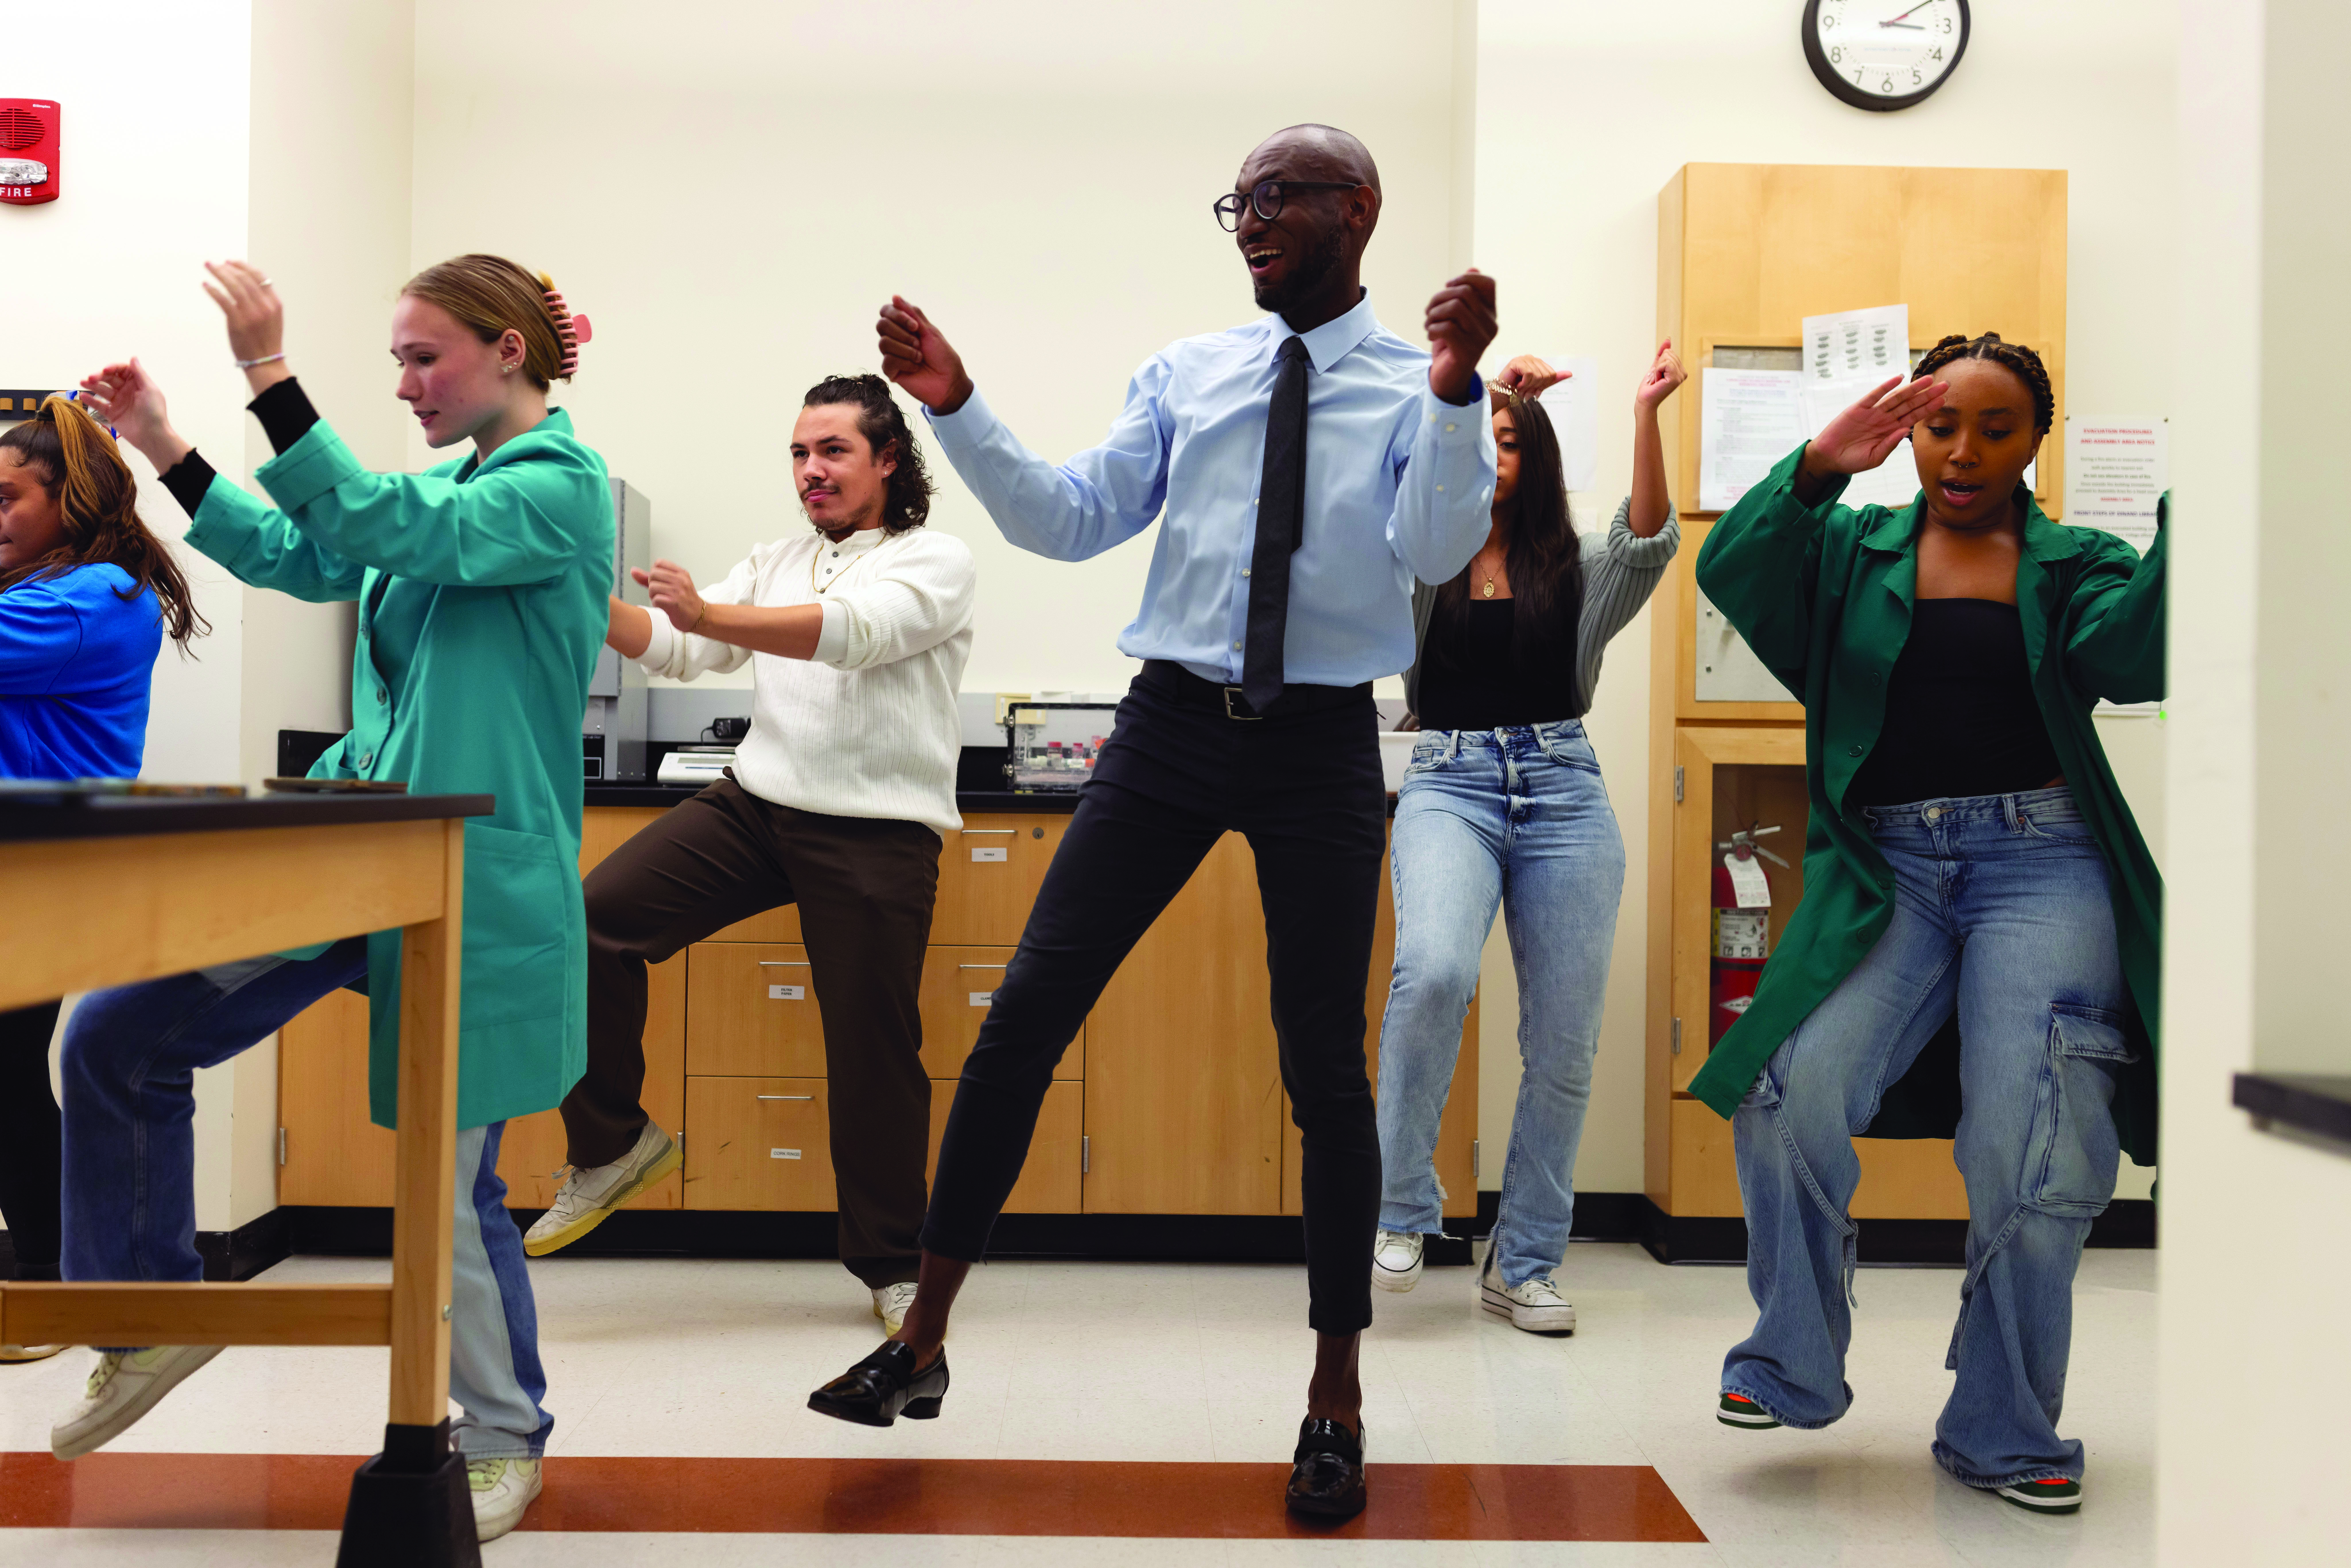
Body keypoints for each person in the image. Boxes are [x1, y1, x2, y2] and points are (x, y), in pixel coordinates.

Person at [807, 123, 1499, 1523]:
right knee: (1024, 1017)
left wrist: (1452, 388)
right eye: (1235, 204)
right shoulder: (1192, 372)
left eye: (1277, 199)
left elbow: (1432, 553)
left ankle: (1333, 1398)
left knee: (1322, 1064)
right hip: (1172, 724)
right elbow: (1070, 521)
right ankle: (919, 1342)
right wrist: (956, 405)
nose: (1248, 222)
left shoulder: (1422, 390)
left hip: (1316, 743)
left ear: (1356, 210)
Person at [63, 254, 614, 1543]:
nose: (407, 383)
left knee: (450, 1179)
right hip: (359, 858)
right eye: (397, 361)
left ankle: (500, 1433)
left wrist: (269, 369)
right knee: (113, 1035)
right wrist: (164, 444)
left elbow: (378, 527)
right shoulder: (449, 487)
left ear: (509, 355)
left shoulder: (558, 488)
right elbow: (312, 551)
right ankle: (152, 1313)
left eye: (425, 358)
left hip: (470, 878)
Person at [1691, 333, 2163, 1517]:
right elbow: (1735, 574)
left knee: (2033, 1144)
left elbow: (2137, 649)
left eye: (1993, 428)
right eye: (1938, 423)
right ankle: (1791, 1355)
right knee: (1788, 1089)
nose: (1960, 452)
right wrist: (1815, 468)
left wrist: (2197, 505)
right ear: (1907, 429)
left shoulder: (2074, 563)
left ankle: (2001, 1421)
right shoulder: (1851, 547)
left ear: (2032, 441)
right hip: (1885, 866)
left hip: (2043, 862)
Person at [526, 372, 975, 1342]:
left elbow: (850, 637)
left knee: (873, 1049)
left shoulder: (935, 561)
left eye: (834, 452)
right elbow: (680, 649)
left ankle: (896, 1264)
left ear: (889, 458)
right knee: (589, 922)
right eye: (801, 455)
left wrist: (708, 617)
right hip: (759, 805)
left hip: (877, 826)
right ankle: (611, 1145)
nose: (811, 472)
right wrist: (578, 591)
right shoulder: (778, 559)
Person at [1372, 343, 1685, 1331]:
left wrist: (1643, 412)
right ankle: (1402, 1204)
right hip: (1449, 781)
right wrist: (1474, 397)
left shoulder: (1577, 566)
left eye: (1512, 443)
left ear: (1538, 460)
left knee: (1564, 1039)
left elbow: (1650, 540)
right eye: (1481, 443)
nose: (1494, 457)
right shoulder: (1418, 561)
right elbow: (1381, 480)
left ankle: (1527, 1262)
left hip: (1563, 789)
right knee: (1431, 975)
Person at [0, 395, 208, 1363]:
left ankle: (46, 1280)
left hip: (40, 872)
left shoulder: (95, 600)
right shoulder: (55, 585)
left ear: (71, 500)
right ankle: (42, 1269)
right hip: (24, 862)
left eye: (8, 499)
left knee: (8, 1069)